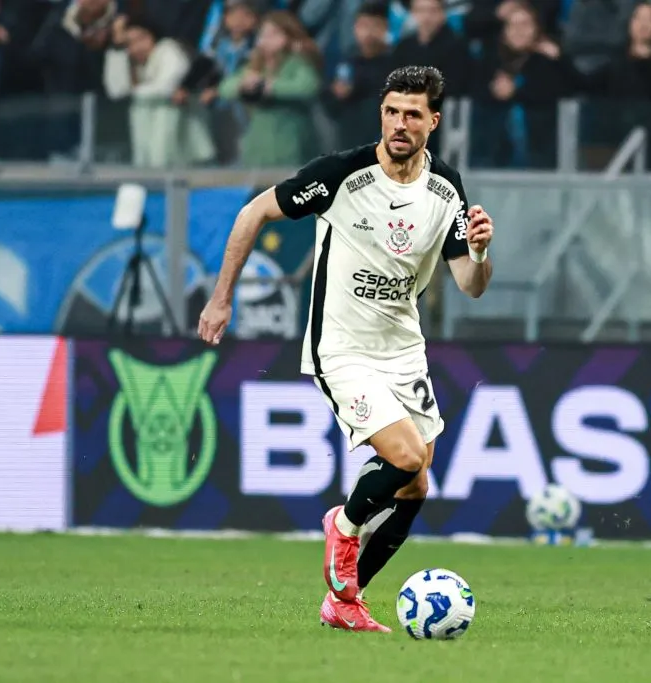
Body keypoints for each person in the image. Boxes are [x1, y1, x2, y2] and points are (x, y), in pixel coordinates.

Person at [197, 65, 495, 632]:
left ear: (433, 120)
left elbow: (470, 286)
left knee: (417, 481)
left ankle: (343, 600)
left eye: (412, 114)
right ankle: (344, 524)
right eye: (391, 111)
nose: (399, 123)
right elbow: (253, 212)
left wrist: (479, 252)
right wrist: (220, 299)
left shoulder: (446, 188)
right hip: (342, 347)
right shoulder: (342, 175)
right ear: (380, 113)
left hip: (403, 347)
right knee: (404, 457)